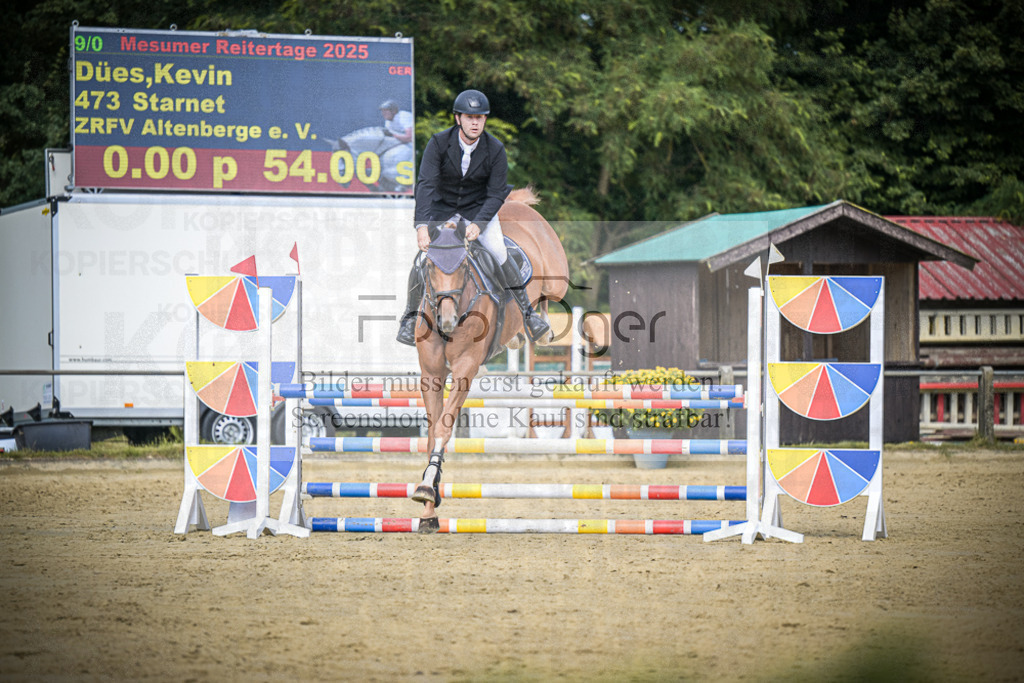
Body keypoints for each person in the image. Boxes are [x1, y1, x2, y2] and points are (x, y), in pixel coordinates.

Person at [396, 89, 550, 345]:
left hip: (479, 212)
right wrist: (422, 226)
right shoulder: (438, 143)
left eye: (480, 117)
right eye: (469, 117)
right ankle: (410, 318)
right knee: (422, 260)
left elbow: (494, 194)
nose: (475, 122)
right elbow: (425, 185)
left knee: (499, 252)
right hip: (442, 212)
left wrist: (478, 225)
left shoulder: (495, 150)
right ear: (458, 119)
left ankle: (528, 315)